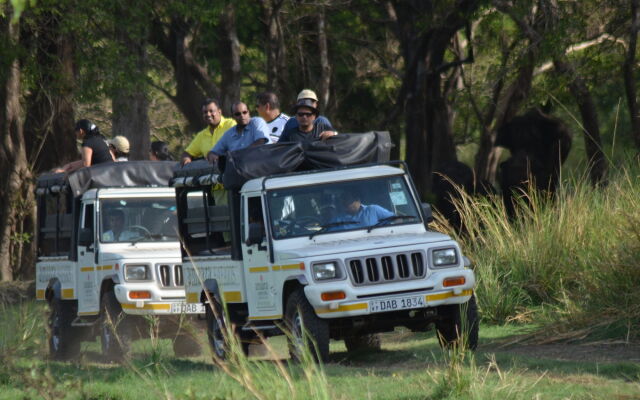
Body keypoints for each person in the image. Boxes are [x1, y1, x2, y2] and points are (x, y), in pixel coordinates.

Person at [181, 98, 236, 166]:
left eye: (211, 111)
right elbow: (187, 153)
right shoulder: (202, 135)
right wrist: (186, 159)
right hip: (212, 174)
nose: (208, 114)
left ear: (219, 111)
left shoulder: (230, 125)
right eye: (205, 112)